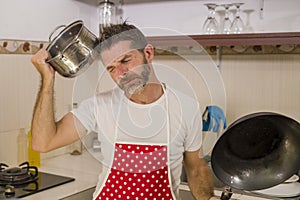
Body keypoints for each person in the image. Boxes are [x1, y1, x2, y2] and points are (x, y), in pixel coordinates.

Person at [30, 22, 220, 200]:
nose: (121, 73)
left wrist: (208, 197)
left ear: (148, 53)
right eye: (111, 68)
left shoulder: (186, 107)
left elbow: (196, 168)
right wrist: (47, 79)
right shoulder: (99, 106)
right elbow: (43, 142)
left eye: (125, 60)